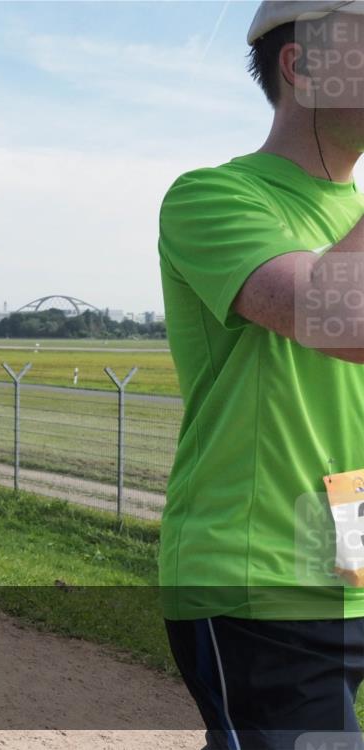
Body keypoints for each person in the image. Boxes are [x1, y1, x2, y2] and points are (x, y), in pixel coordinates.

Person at [158, 3, 364, 747]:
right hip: (258, 578)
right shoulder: (214, 197)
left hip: (348, 569)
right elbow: (339, 318)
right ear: (301, 65)